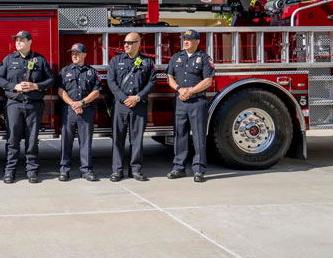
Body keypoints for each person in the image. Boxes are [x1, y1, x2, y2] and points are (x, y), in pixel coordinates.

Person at [0, 30, 54, 183]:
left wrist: (35, 85)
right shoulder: (8, 59)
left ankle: (32, 171)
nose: (18, 42)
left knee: (32, 140)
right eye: (17, 40)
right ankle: (10, 171)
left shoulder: (39, 60)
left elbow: (50, 80)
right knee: (12, 140)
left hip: (33, 105)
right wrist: (14, 86)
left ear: (30, 42)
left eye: (22, 40)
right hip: (14, 104)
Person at [166, 29, 215, 183]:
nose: (185, 41)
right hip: (180, 101)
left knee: (199, 136)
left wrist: (191, 91)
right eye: (184, 39)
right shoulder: (176, 57)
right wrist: (180, 90)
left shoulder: (204, 58)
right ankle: (178, 168)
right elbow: (169, 77)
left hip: (197, 102)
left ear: (197, 42)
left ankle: (199, 170)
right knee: (180, 135)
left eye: (189, 39)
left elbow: (208, 80)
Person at [106, 32, 156, 182]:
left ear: (138, 44)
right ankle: (117, 170)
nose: (126, 45)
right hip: (120, 105)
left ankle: (135, 170)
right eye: (125, 43)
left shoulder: (147, 62)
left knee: (137, 139)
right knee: (118, 139)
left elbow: (152, 82)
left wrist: (137, 97)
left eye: (130, 43)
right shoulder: (116, 60)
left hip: (138, 104)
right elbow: (111, 81)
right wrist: (123, 98)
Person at [57, 43, 101, 181]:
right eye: (72, 53)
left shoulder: (92, 72)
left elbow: (96, 91)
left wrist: (82, 102)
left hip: (86, 110)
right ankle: (64, 170)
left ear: (84, 55)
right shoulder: (65, 71)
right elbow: (60, 91)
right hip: (69, 111)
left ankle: (86, 170)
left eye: (77, 53)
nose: (74, 55)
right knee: (66, 142)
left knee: (86, 142)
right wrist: (73, 104)